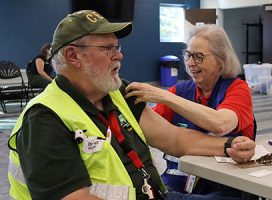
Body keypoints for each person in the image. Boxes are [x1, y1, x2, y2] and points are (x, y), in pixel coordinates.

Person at [8, 10, 255, 200]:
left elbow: (174, 138)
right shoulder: (44, 120)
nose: (119, 55)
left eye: (117, 47)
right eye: (108, 48)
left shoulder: (117, 92)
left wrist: (229, 145)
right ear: (73, 56)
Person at [125, 24, 256, 199]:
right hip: (176, 185)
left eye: (199, 57)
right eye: (188, 55)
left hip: (224, 188)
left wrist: (164, 96)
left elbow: (220, 123)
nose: (191, 63)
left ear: (221, 61)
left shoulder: (237, 89)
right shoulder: (180, 91)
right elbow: (147, 127)